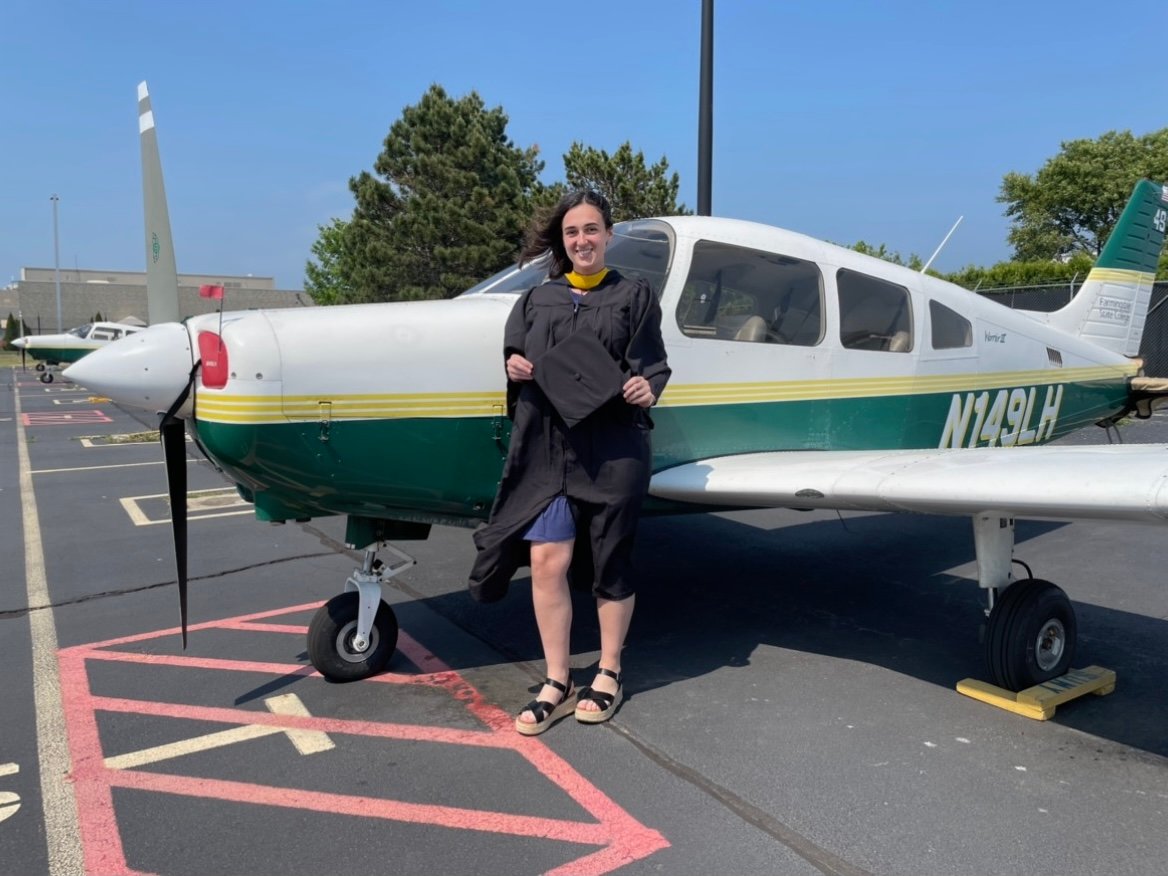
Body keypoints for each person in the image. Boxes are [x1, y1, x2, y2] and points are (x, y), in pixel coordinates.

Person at [468, 190, 671, 736]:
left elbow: (653, 364)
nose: (582, 240)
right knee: (547, 562)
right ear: (562, 242)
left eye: (591, 230)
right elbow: (515, 361)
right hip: (548, 451)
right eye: (571, 232)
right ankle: (556, 681)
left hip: (612, 449)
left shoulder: (634, 295)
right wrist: (512, 366)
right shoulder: (535, 301)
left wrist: (645, 388)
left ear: (608, 236)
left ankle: (608, 671)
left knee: (610, 562)